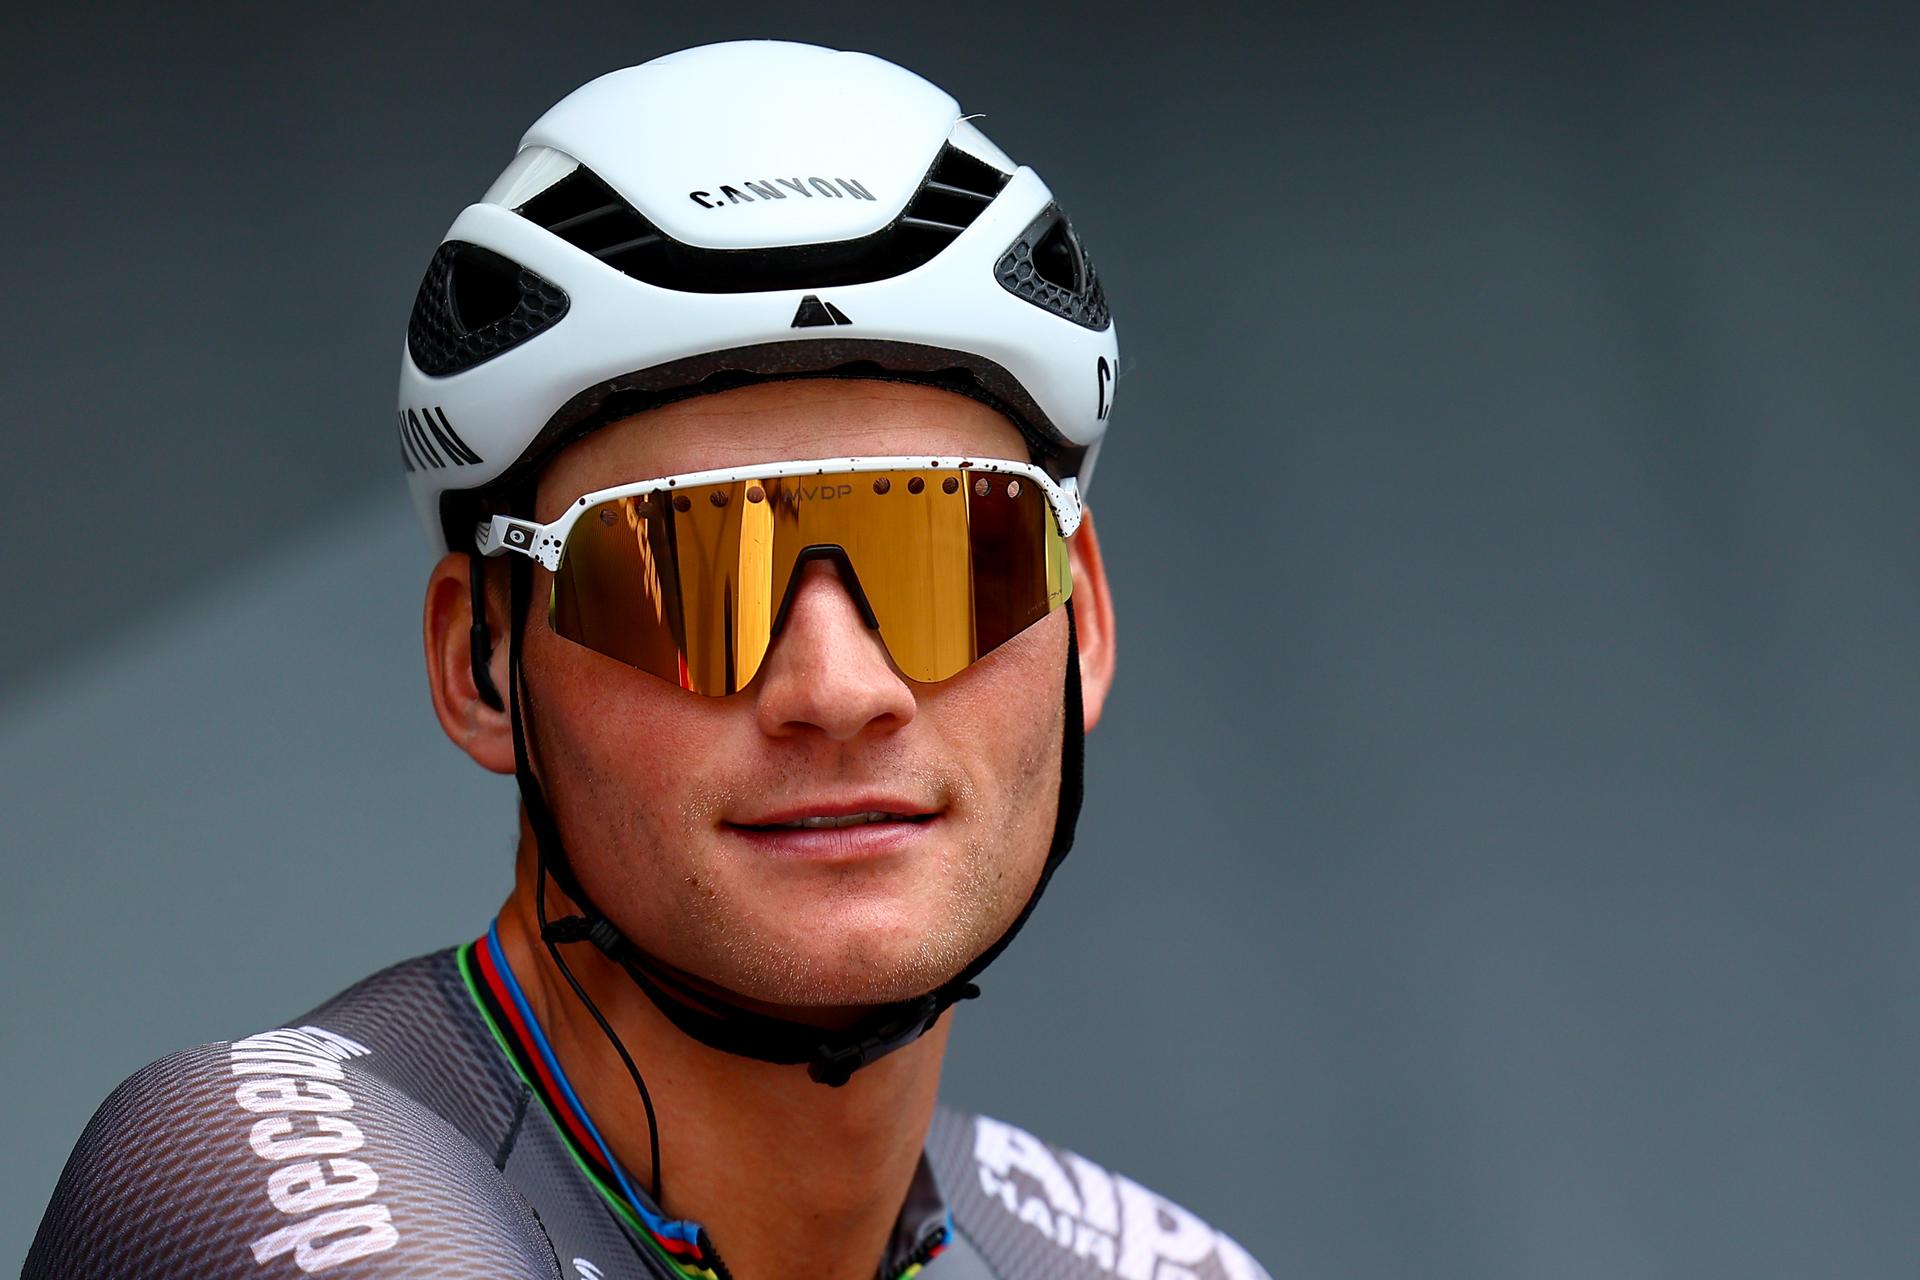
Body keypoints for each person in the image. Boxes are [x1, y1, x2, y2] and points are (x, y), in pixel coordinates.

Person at [25, 41, 1269, 1280]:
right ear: (480, 662)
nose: (839, 689)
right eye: (686, 576)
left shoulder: (1157, 1260)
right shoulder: (224, 1166)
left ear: (1086, 618)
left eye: (953, 557)